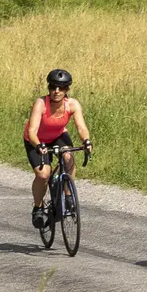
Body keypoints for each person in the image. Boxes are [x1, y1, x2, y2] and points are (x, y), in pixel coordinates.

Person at [24, 68, 91, 228]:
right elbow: (32, 131)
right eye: (53, 87)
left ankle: (68, 196)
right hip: (36, 140)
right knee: (43, 174)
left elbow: (81, 128)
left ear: (67, 89)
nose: (56, 91)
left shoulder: (72, 104)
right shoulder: (41, 104)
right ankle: (38, 208)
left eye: (61, 88)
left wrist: (86, 141)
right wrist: (39, 145)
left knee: (68, 157)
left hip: (58, 136)